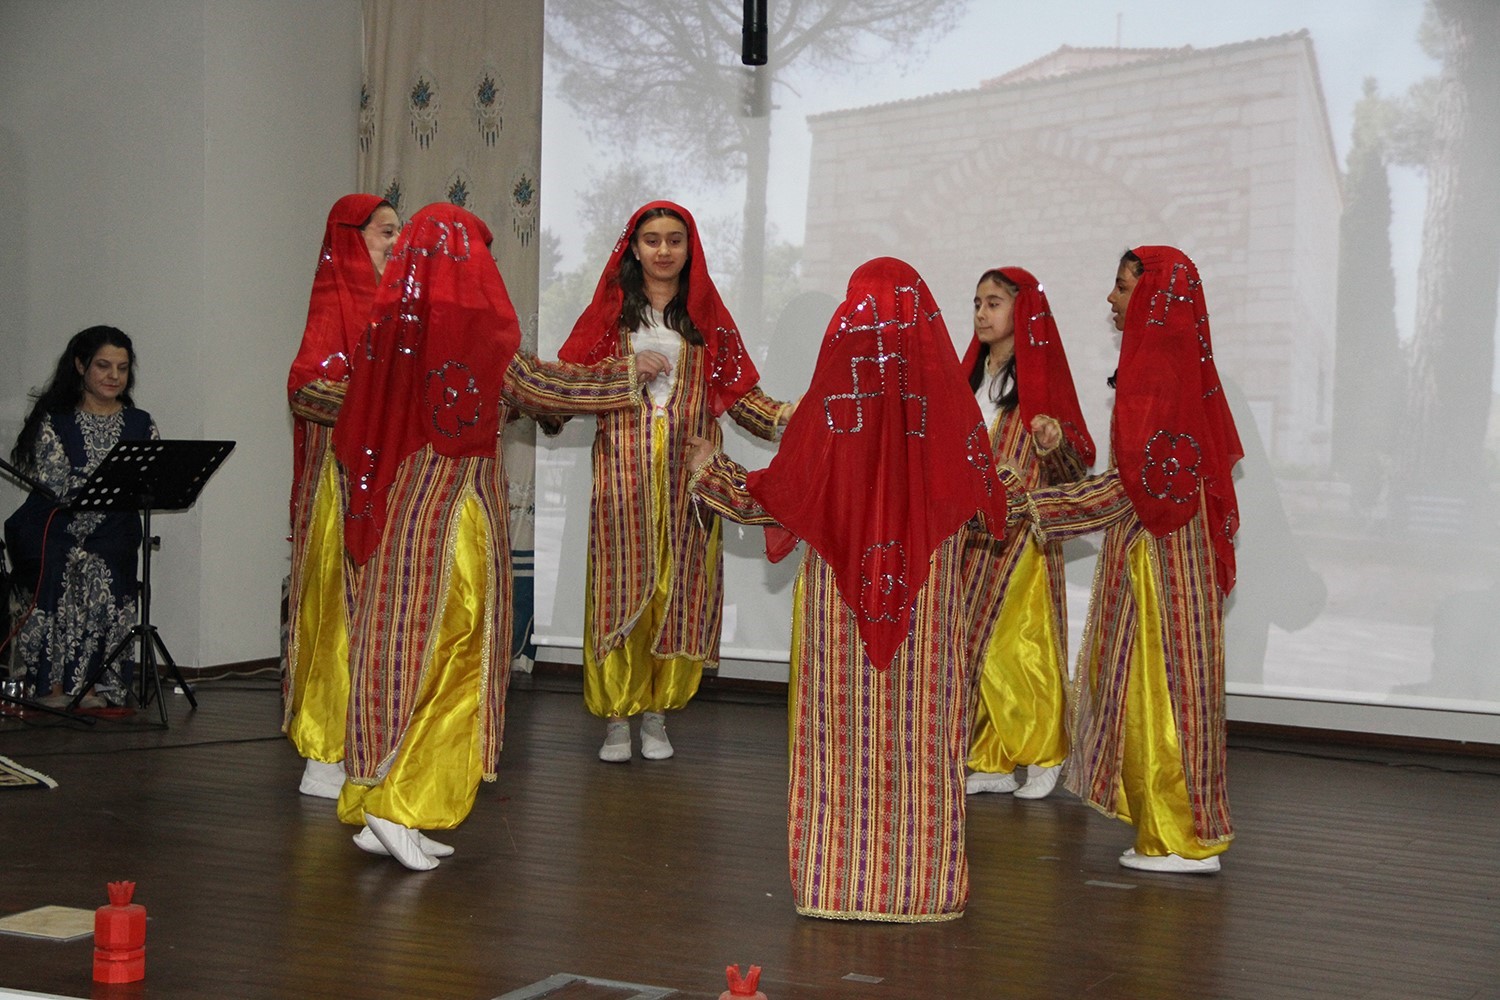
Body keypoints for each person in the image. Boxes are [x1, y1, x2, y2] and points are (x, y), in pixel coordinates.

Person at [332, 203, 667, 870]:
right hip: (451, 509)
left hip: (399, 503)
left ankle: (385, 796)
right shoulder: (474, 330)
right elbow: (541, 388)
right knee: (452, 651)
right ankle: (399, 803)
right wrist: (632, 373)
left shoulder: (389, 322)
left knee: (399, 650)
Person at [688, 257, 1008, 921]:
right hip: (928, 603)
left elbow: (780, 500)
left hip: (839, 603)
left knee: (839, 742)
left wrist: (711, 474)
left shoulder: (835, 405)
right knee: (926, 743)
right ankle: (926, 888)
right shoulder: (952, 414)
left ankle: (839, 884)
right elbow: (986, 504)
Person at [1011, 246, 1242, 873]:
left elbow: (1136, 486)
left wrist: (1036, 509)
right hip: (1162, 549)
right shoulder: (1162, 366)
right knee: (1162, 685)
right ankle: (1169, 831)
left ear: (1153, 297)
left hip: (1165, 554)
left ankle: (1182, 837)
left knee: (1167, 689)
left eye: (1121, 288)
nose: (1111, 301)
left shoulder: (1157, 376)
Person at [559, 201, 791, 763]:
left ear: (690, 250)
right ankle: (617, 718)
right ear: (633, 248)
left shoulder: (706, 319)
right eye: (652, 240)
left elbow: (745, 402)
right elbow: (563, 388)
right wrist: (622, 372)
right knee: (616, 592)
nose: (663, 250)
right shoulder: (609, 319)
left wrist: (797, 417)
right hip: (621, 481)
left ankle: (658, 713)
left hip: (689, 483)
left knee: (678, 593)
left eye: (674, 240)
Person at [959, 267, 1094, 800]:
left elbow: (1073, 471)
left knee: (1018, 646)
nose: (981, 312)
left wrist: (1050, 441)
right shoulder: (966, 377)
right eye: (977, 303)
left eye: (994, 303)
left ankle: (1046, 750)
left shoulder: (1041, 382)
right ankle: (991, 758)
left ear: (1023, 312)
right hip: (969, 538)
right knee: (974, 645)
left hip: (1023, 543)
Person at [283, 193, 400, 799]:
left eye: (399, 232)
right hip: (339, 485)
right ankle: (324, 755)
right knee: (334, 614)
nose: (393, 242)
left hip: (394, 486)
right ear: (352, 237)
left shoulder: (406, 305)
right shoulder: (333, 302)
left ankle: (373, 745)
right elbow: (306, 391)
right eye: (384, 232)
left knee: (389, 617)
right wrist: (373, 408)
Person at [5, 327, 158, 707]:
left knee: (106, 559)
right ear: (80, 366)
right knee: (61, 560)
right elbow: (52, 482)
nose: (113, 376)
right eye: (103, 366)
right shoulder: (55, 420)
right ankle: (50, 688)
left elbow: (151, 476)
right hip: (54, 521)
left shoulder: (140, 423)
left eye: (122, 368)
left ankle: (94, 686)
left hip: (115, 524)